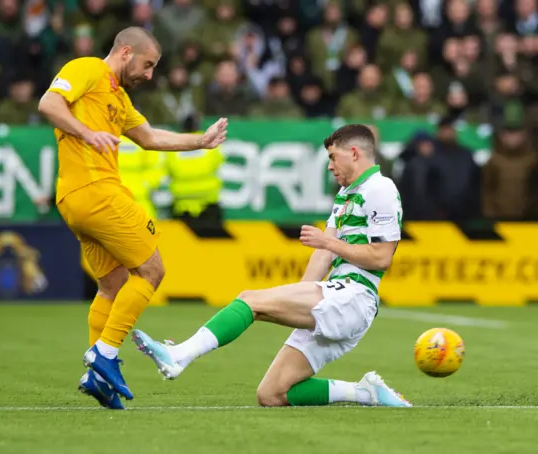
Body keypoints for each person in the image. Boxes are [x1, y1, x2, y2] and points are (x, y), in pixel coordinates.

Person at [132, 124, 411, 408]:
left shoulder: (380, 188)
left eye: (332, 157)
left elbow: (381, 257)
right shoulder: (345, 195)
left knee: (249, 300)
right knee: (272, 394)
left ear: (353, 153)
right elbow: (322, 255)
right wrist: (300, 295)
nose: (329, 166)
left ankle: (179, 356)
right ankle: (364, 393)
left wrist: (330, 245)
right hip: (336, 296)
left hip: (355, 296)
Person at [37, 26, 227, 410]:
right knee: (151, 271)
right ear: (125, 52)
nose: (150, 75)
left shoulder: (117, 97)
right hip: (97, 191)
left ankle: (96, 376)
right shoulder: (87, 68)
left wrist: (199, 141)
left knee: (112, 283)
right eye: (148, 64)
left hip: (76, 201)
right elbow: (49, 105)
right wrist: (88, 133)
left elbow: (150, 137)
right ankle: (104, 354)